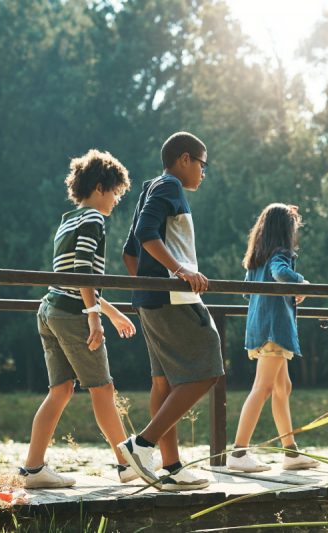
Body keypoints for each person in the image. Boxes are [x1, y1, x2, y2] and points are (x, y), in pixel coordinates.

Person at [20, 149, 137, 489]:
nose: (115, 201)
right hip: (72, 314)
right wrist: (94, 318)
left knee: (60, 390)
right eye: (115, 193)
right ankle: (126, 464)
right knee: (103, 388)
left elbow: (73, 278)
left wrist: (110, 312)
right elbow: (85, 270)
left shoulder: (68, 219)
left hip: (51, 309)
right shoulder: (94, 220)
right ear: (101, 188)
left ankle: (34, 469)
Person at [120, 131, 223, 491]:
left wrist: (145, 287)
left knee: (163, 382)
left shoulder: (151, 188)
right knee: (207, 367)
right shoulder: (170, 187)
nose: (203, 173)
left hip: (153, 299)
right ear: (184, 159)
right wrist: (180, 271)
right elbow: (147, 235)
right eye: (202, 164)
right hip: (174, 299)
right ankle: (142, 444)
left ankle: (173, 466)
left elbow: (129, 251)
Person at [226, 204, 320, 473]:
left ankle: (290, 452)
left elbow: (247, 291)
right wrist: (302, 283)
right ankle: (239, 452)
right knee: (263, 388)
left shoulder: (257, 258)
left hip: (260, 327)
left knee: (283, 388)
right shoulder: (280, 254)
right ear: (284, 231)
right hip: (274, 329)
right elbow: (281, 274)